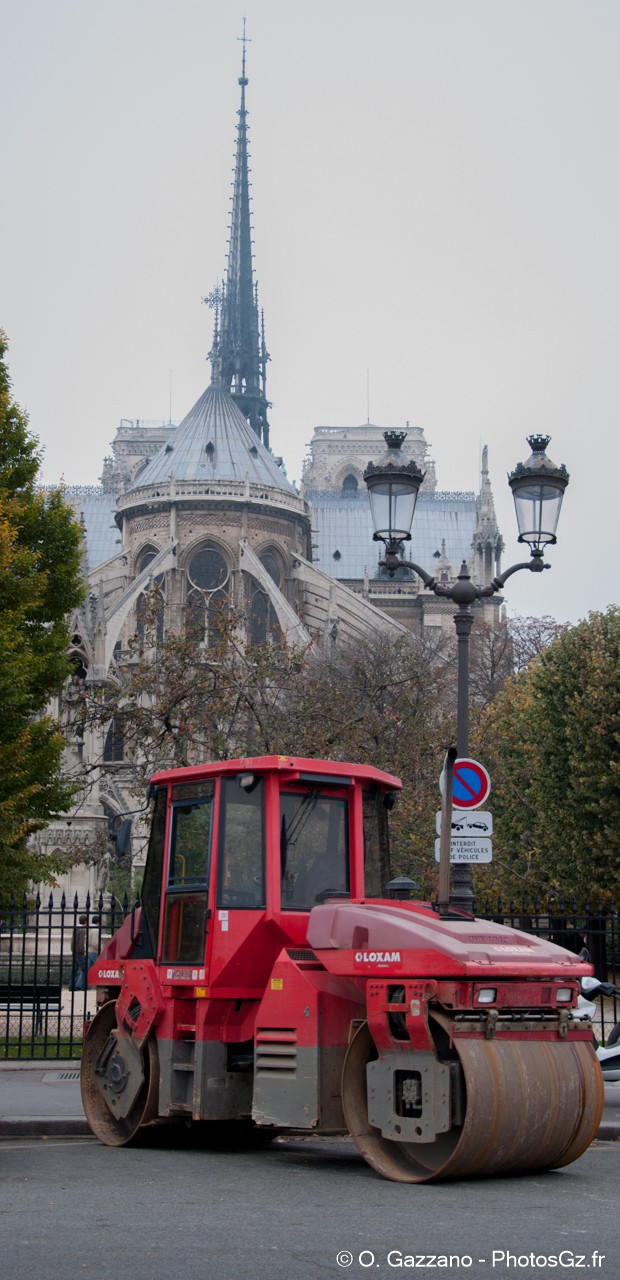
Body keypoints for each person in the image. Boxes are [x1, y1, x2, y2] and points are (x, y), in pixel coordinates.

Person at [71, 914, 101, 991]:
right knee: (98, 967)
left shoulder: (84, 929)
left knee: (85, 969)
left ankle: (78, 985)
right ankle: (95, 984)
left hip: (85, 951)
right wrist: (100, 948)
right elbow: (93, 942)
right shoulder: (92, 930)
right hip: (92, 951)